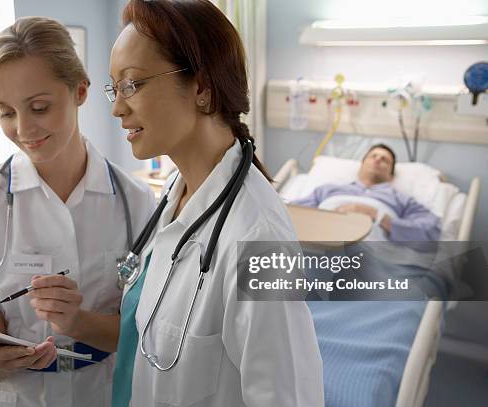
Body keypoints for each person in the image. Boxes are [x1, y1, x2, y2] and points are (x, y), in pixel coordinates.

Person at [107, 1, 324, 406]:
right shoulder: (176, 196)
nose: (117, 107)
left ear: (202, 89)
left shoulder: (258, 239)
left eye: (132, 85)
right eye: (114, 88)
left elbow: (287, 395)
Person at [0, 16, 154, 407]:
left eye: (39, 107)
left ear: (80, 91)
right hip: (15, 395)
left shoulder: (136, 202)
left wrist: (77, 321)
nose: (23, 129)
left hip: (103, 391)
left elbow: (144, 332)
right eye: (6, 112)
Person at [293, 143, 441, 244]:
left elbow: (431, 230)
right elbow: (291, 214)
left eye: (385, 160)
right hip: (318, 242)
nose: (377, 160)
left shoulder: (401, 200)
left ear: (391, 174)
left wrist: (380, 217)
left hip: (368, 252)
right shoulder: (327, 190)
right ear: (361, 165)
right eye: (373, 156)